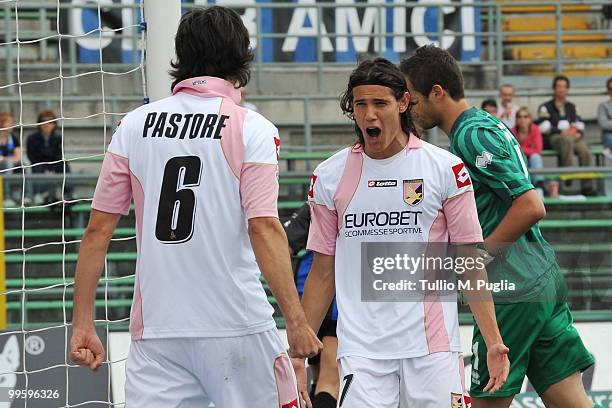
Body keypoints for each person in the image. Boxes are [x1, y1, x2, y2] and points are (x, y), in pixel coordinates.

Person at [69, 7, 321, 408]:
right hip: (236, 324)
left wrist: (83, 321)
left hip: (159, 331)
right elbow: (264, 228)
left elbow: (97, 231)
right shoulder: (251, 127)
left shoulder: (133, 125)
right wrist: (295, 320)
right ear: (241, 56)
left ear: (181, 54)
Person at [295, 57, 509, 408]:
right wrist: (297, 352)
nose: (369, 115)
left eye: (380, 103)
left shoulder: (445, 169)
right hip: (362, 354)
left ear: (404, 102)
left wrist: (493, 340)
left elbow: (470, 259)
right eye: (360, 105)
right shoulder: (329, 176)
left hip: (432, 350)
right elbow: (322, 271)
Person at [401, 45, 597, 408]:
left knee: (484, 402)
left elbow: (530, 205)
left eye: (412, 99)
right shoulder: (485, 124)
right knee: (573, 401)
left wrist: (478, 256)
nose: (409, 109)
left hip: (511, 288)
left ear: (437, 92)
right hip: (539, 276)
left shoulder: (469, 136)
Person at [284, 202, 339, 408]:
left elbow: (284, 244)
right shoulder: (323, 200)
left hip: (307, 295)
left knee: (317, 377)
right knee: (330, 379)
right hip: (336, 297)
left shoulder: (317, 201)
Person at [536, 75, 596, 195]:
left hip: (573, 137)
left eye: (564, 87)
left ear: (567, 89)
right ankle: (569, 175)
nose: (561, 89)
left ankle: (587, 186)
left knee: (585, 150)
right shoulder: (545, 106)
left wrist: (578, 133)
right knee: (566, 141)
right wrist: (561, 132)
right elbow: (543, 126)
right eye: (559, 86)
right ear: (554, 88)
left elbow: (580, 123)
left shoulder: (572, 106)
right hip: (554, 138)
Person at [26, 109, 72, 203]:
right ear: (39, 124)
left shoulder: (58, 138)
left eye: (50, 122)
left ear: (54, 124)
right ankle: (38, 194)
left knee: (64, 165)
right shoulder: (32, 138)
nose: (47, 125)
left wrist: (51, 168)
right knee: (37, 166)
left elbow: (59, 155)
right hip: (38, 165)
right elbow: (32, 157)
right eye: (43, 121)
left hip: (53, 165)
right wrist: (46, 167)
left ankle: (68, 194)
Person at [512, 107, 545, 191]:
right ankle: (523, 187)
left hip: (532, 160)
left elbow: (538, 150)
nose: (522, 119)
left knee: (535, 157)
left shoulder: (535, 129)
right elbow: (512, 151)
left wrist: (520, 148)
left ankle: (539, 185)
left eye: (525, 117)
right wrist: (529, 149)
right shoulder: (512, 131)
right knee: (522, 158)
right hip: (520, 160)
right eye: (519, 117)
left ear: (530, 119)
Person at [0, 112, 22, 204]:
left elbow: (18, 157)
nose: (12, 125)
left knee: (25, 165)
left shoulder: (13, 138)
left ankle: (27, 196)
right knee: (7, 164)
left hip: (9, 163)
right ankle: (6, 196)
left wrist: (6, 159)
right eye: (9, 122)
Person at [597, 77, 612, 160]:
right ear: (608, 91)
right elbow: (603, 125)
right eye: (611, 89)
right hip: (609, 136)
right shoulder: (603, 106)